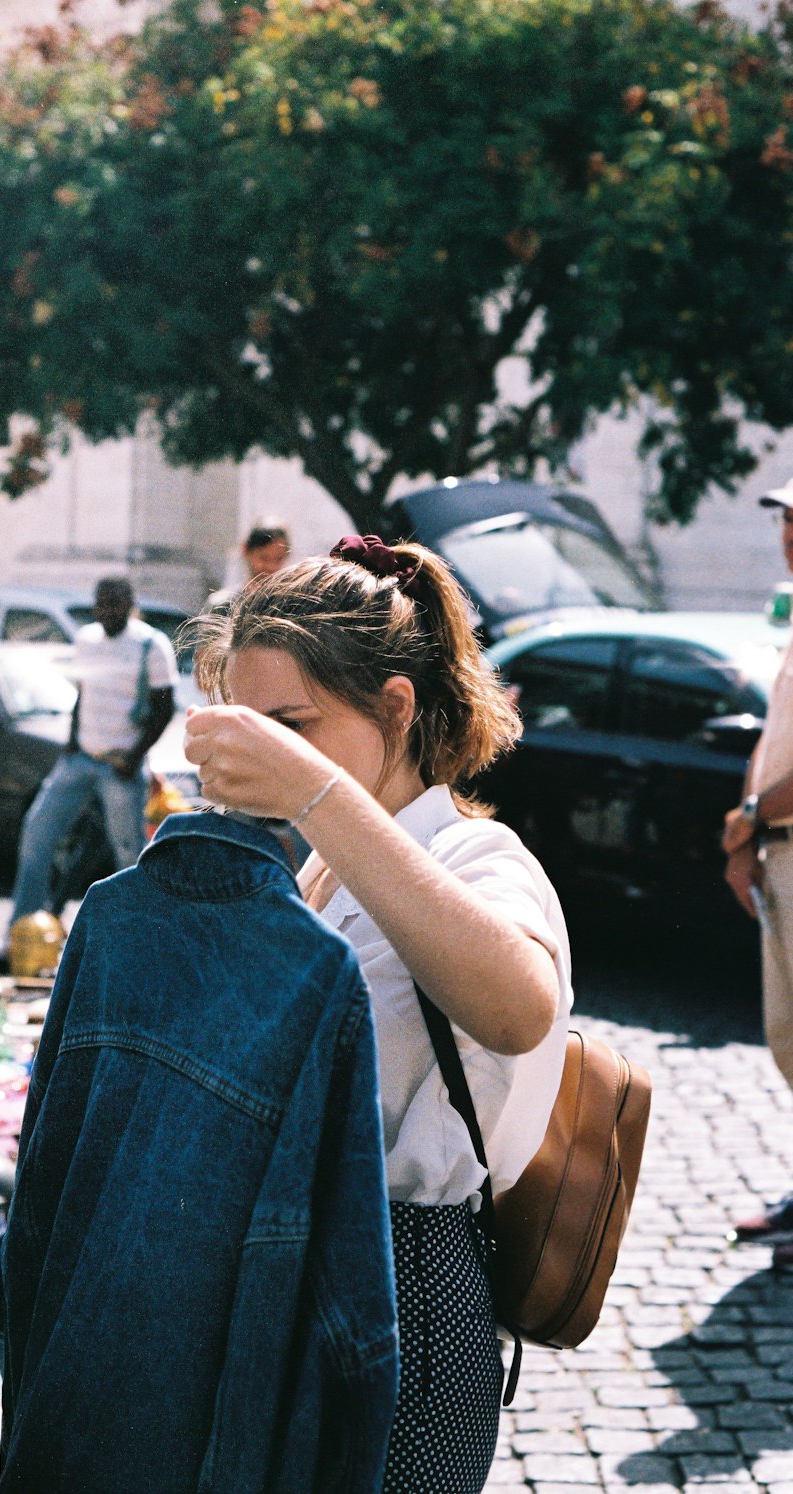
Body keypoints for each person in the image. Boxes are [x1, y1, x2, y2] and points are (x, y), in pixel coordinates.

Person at [184, 534, 573, 1494]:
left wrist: (313, 794)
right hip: (290, 1267)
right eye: (248, 726)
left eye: (293, 725)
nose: (268, 750)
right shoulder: (320, 864)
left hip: (407, 1287)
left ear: (394, 708)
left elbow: (523, 1008)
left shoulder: (478, 860)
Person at [9, 576, 178, 926]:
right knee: (37, 832)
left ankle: (137, 932)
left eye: (115, 603)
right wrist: (72, 741)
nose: (106, 611)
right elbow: (84, 693)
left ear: (130, 605)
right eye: (101, 603)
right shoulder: (87, 639)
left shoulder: (152, 644)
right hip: (79, 759)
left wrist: (133, 758)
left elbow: (165, 708)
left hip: (121, 766)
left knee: (128, 855)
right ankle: (22, 930)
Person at [723, 477, 793, 1271]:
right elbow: (776, 737)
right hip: (778, 844)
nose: (790, 536)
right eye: (787, 522)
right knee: (786, 1036)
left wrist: (751, 819)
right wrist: (746, 827)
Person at [206, 519, 291, 611]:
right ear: (246, 551)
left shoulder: (289, 606)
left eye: (279, 559)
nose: (271, 566)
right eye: (264, 558)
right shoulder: (222, 604)